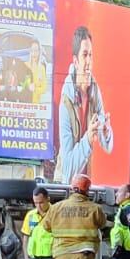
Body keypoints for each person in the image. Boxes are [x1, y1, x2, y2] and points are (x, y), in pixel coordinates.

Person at [55, 26, 113, 182]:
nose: (88, 62)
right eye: (85, 55)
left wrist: (105, 133)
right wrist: (88, 138)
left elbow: (107, 146)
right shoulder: (66, 102)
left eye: (91, 55)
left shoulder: (94, 91)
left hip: (85, 183)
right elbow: (68, 169)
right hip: (65, 185)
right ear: (75, 61)